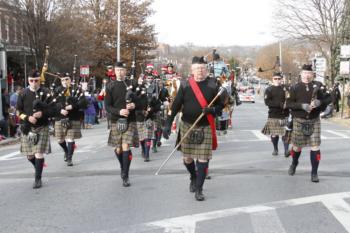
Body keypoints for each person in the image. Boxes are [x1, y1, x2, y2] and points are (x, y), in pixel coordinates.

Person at [163, 56, 224, 201]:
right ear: (192, 69)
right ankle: (193, 176)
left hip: (205, 126)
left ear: (206, 69)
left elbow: (221, 106)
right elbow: (176, 105)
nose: (200, 71)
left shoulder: (213, 85)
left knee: (203, 160)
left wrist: (213, 110)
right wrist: (167, 123)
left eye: (202, 68)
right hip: (187, 125)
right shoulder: (185, 85)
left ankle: (199, 188)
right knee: (187, 158)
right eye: (197, 68)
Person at [286, 64, 332, 182]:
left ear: (312, 75)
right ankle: (294, 163)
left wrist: (319, 102)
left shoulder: (318, 86)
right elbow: (289, 104)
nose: (307, 75)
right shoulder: (294, 88)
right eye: (305, 73)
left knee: (315, 146)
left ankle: (314, 173)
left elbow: (330, 99)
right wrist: (302, 106)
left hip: (314, 120)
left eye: (309, 73)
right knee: (296, 147)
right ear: (301, 74)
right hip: (299, 120)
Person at [16, 71, 56, 188]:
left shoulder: (46, 92)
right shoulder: (23, 93)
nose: (34, 83)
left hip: (42, 126)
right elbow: (18, 111)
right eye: (31, 81)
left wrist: (42, 113)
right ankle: (38, 166)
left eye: (36, 80)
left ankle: (37, 179)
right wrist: (27, 117)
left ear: (40, 80)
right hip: (27, 127)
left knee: (39, 153)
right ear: (28, 80)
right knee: (30, 156)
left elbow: (53, 110)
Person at [105, 61, 138, 187]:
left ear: (126, 71)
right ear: (114, 71)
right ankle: (123, 166)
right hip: (115, 120)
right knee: (118, 149)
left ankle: (125, 175)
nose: (120, 72)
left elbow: (141, 99)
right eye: (118, 70)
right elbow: (107, 106)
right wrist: (119, 111)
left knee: (125, 147)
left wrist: (134, 105)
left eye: (122, 70)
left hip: (130, 120)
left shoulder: (131, 84)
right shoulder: (110, 86)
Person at [54, 73, 87, 166]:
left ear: (70, 80)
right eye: (63, 80)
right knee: (59, 140)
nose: (65, 81)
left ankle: (69, 158)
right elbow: (52, 104)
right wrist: (60, 109)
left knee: (70, 139)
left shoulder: (77, 90)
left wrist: (72, 106)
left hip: (73, 117)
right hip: (60, 117)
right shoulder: (57, 90)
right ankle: (66, 150)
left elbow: (83, 103)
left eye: (66, 79)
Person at [261, 72, 290, 156]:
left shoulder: (286, 89)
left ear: (281, 79)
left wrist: (288, 104)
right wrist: (280, 104)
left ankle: (286, 151)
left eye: (279, 78)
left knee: (286, 133)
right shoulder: (269, 89)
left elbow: (290, 99)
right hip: (273, 114)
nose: (277, 80)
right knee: (274, 134)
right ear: (272, 79)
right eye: (275, 79)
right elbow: (267, 102)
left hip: (285, 114)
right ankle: (275, 148)